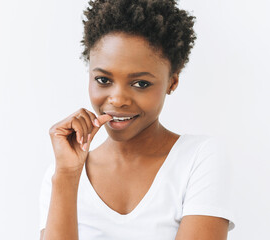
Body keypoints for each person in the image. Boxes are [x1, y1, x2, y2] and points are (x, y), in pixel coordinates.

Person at [39, 0, 235, 239]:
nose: (118, 99)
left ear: (172, 82)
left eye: (141, 84)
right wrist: (67, 176)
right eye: (103, 80)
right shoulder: (61, 174)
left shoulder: (199, 159)